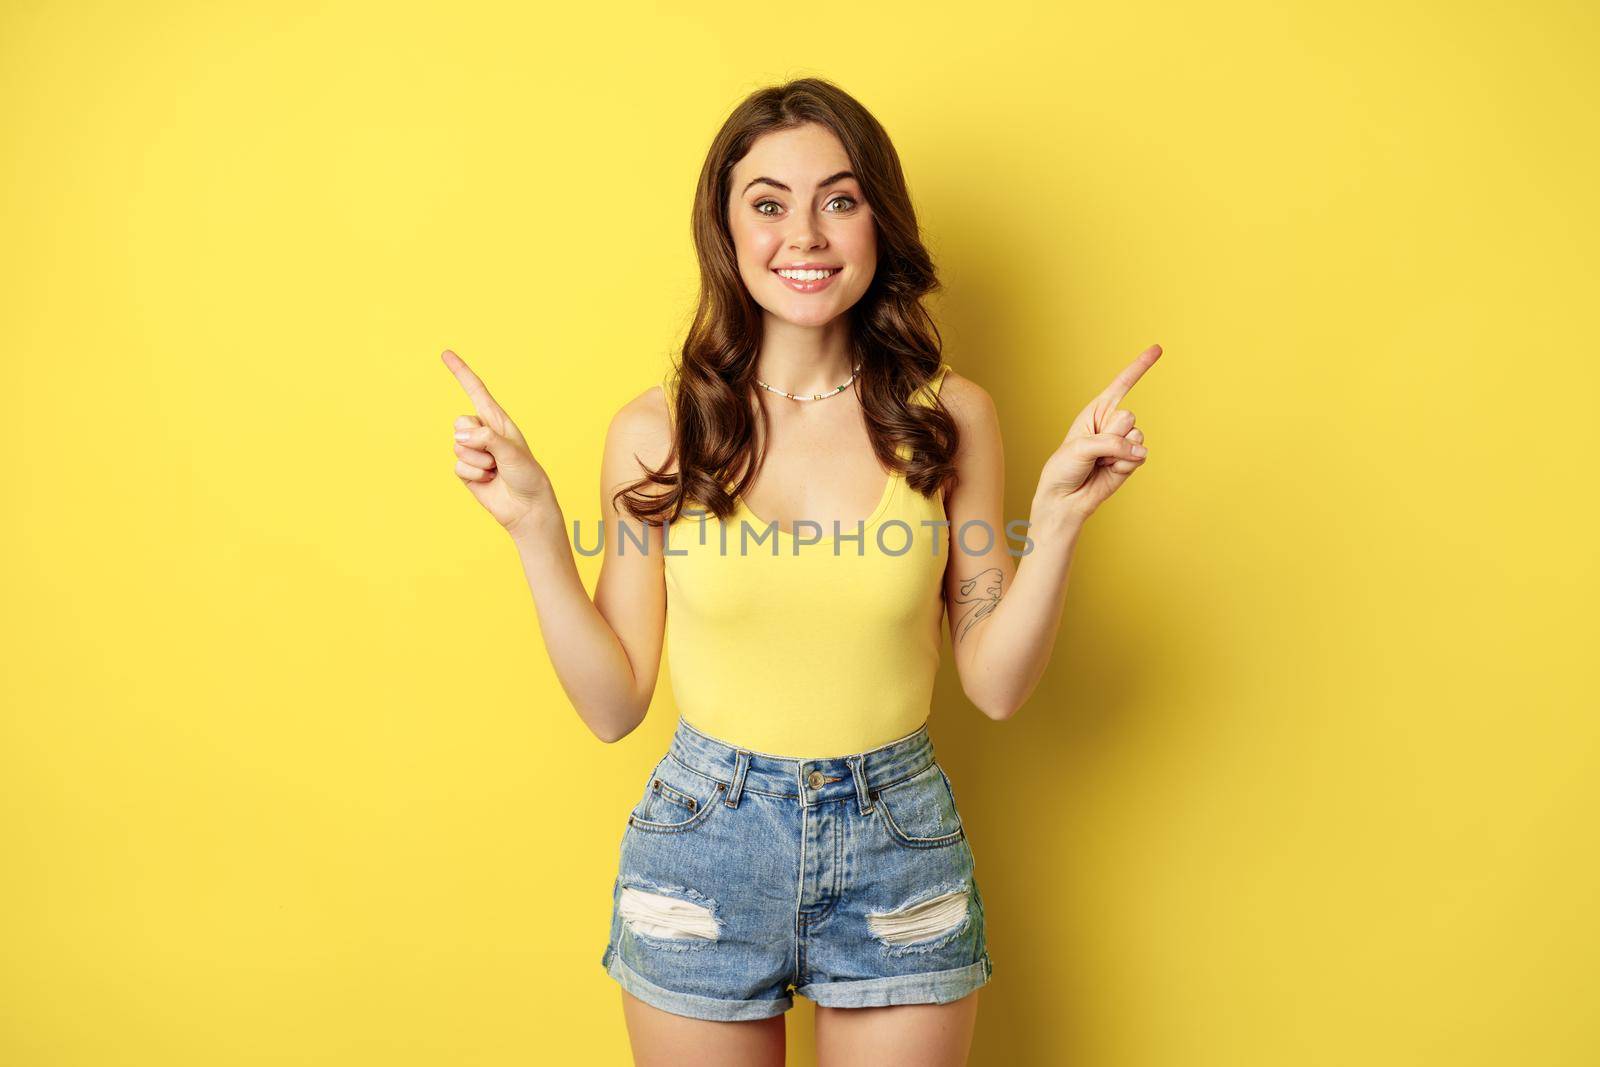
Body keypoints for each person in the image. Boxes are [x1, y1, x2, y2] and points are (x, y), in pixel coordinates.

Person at [442, 76, 1159, 1067]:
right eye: (768, 204)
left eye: (839, 198)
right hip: (702, 844)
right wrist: (531, 524)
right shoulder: (656, 432)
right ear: (727, 233)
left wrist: (1063, 516)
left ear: (878, 220)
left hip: (896, 842)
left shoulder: (953, 418)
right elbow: (613, 701)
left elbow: (995, 682)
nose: (805, 235)